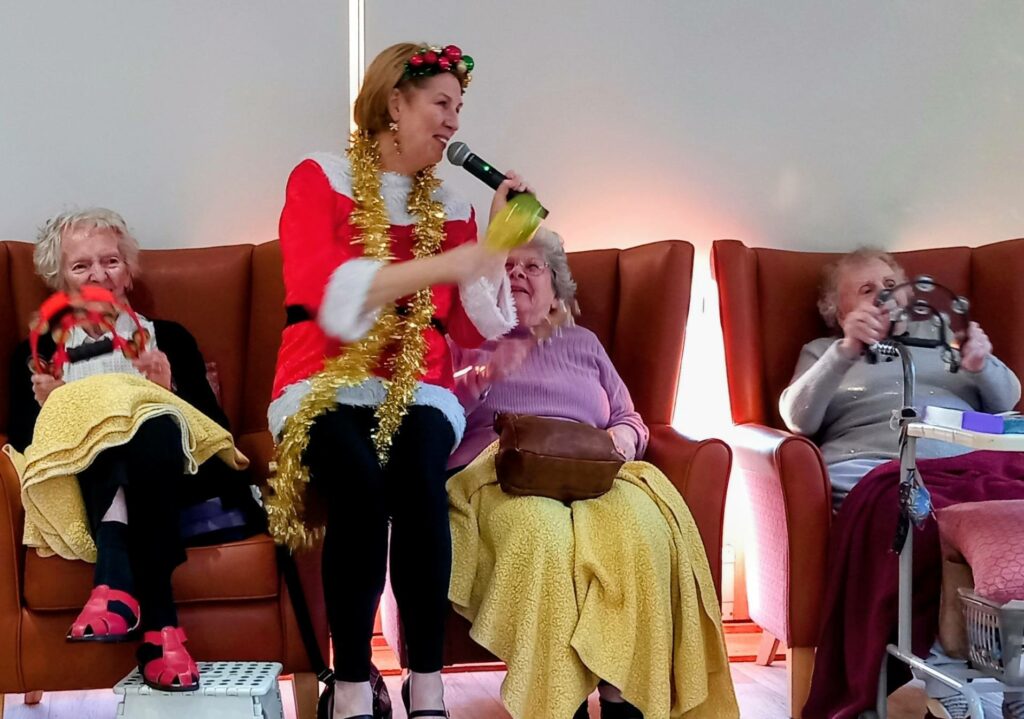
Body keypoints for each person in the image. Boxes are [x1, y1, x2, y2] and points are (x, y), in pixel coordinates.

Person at [265, 42, 522, 719]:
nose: (452, 123)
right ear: (394, 103)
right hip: (321, 376)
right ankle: (350, 684)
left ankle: (427, 682)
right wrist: (454, 263)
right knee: (358, 483)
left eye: (458, 109)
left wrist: (492, 247)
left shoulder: (457, 208)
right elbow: (329, 291)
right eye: (441, 104)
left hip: (422, 385)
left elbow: (474, 330)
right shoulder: (318, 177)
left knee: (417, 479)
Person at [445, 229, 739, 719]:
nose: (516, 275)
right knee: (543, 537)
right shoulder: (467, 343)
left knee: (640, 531)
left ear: (557, 290)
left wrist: (622, 439)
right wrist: (483, 374)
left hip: (593, 472)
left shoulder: (584, 343)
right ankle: (558, 701)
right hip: (500, 474)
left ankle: (624, 695)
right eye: (506, 269)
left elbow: (629, 418)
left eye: (531, 268)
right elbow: (440, 416)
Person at [7, 208, 261, 691]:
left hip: (177, 473)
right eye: (81, 267)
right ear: (58, 280)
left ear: (128, 270)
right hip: (87, 478)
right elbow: (26, 446)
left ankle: (115, 582)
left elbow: (216, 431)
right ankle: (161, 630)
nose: (99, 275)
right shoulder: (35, 354)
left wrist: (169, 390)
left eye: (110, 262)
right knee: (106, 435)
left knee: (150, 421)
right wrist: (51, 408)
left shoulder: (171, 339)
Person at [780, 247, 1023, 719]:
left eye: (889, 288)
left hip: (967, 466)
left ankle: (1008, 671)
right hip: (876, 468)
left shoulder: (942, 346)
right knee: (918, 517)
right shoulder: (822, 352)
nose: (882, 299)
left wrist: (981, 362)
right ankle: (938, 673)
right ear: (838, 310)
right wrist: (845, 350)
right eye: (866, 291)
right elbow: (797, 418)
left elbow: (1008, 402)